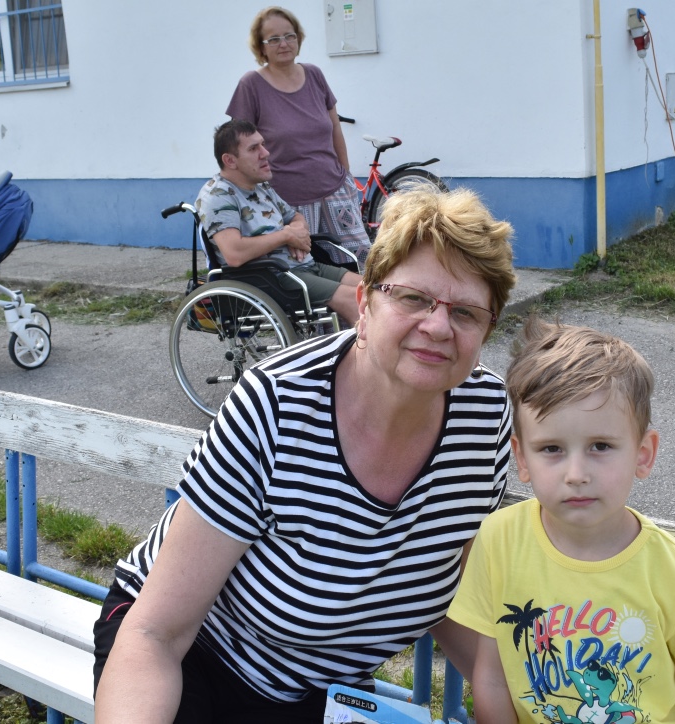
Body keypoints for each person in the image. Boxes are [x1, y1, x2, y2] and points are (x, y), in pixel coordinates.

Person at [93, 185, 517, 723]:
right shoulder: (277, 404)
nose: (437, 327)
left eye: (466, 313)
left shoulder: (484, 417)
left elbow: (450, 583)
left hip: (323, 688)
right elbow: (156, 633)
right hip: (197, 653)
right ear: (364, 305)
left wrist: (533, 696)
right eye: (413, 298)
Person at [448, 319, 675, 724]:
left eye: (600, 446)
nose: (576, 474)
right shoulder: (500, 540)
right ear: (522, 458)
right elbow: (493, 679)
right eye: (551, 448)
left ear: (643, 455)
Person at [227, 6, 370, 266]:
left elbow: (334, 126)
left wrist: (346, 174)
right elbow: (239, 145)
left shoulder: (314, 74)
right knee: (307, 271)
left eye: (289, 36)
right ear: (261, 47)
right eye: (273, 39)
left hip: (335, 191)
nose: (283, 44)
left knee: (362, 262)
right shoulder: (251, 85)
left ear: (298, 38)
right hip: (288, 202)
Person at [195, 119, 362, 324]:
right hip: (273, 277)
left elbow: (295, 217)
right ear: (230, 160)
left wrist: (297, 231)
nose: (265, 153)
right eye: (254, 148)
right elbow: (234, 254)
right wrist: (286, 236)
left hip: (305, 267)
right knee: (356, 300)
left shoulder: (261, 187)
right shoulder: (217, 196)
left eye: (263, 144)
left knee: (374, 290)